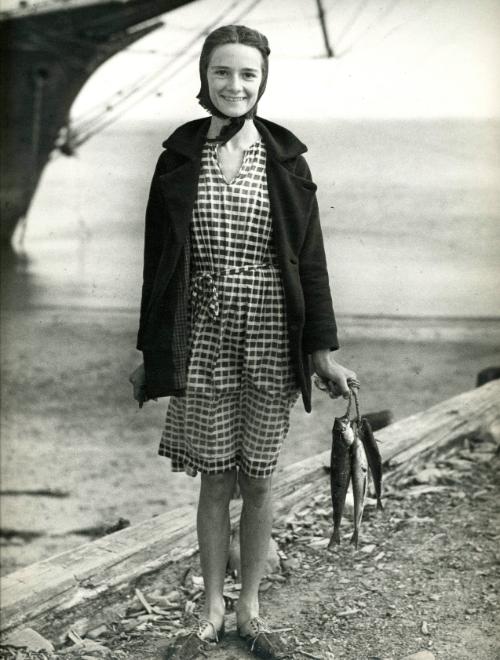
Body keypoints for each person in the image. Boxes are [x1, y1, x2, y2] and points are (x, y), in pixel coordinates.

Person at [129, 24, 358, 659]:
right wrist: (149, 353)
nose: (235, 85)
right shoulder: (177, 157)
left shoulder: (287, 160)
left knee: (258, 478)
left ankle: (250, 609)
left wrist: (322, 351)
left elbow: (310, 262)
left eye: (248, 74)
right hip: (201, 332)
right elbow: (159, 266)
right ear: (204, 78)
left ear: (263, 81)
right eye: (223, 73)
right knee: (214, 478)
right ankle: (210, 609)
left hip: (269, 330)